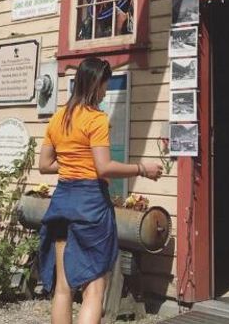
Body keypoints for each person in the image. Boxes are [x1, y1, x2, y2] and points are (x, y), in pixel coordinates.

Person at [38, 57, 164, 324]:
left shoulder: (58, 118)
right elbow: (104, 167)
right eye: (105, 85)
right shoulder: (96, 119)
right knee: (94, 289)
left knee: (63, 285)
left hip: (62, 202)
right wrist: (142, 168)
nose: (106, 91)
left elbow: (45, 165)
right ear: (95, 84)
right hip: (90, 204)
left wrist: (74, 161)